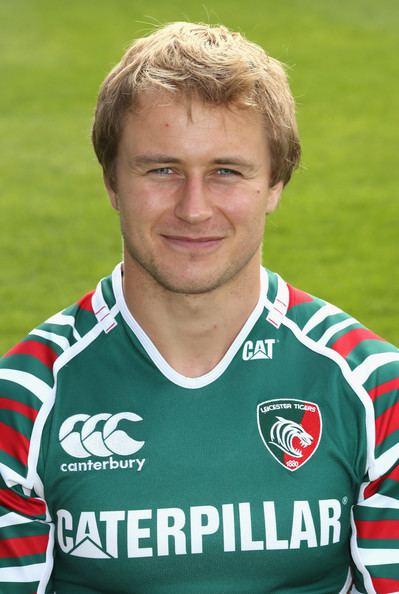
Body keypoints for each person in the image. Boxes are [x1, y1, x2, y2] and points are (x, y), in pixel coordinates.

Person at [0, 21, 398, 594]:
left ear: (275, 184)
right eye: (161, 169)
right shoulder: (23, 405)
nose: (193, 208)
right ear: (112, 181)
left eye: (226, 172)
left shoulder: (373, 394)